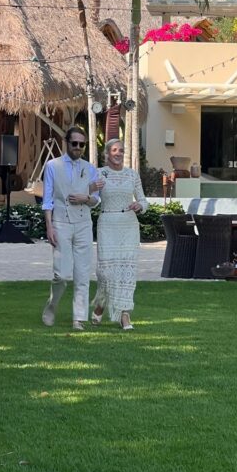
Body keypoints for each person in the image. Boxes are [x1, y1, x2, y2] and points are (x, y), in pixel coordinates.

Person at [41, 127, 102, 332]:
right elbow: (47, 198)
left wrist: (86, 197)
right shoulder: (52, 166)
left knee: (83, 274)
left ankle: (79, 318)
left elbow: (96, 200)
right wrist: (49, 226)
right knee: (62, 274)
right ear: (66, 142)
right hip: (60, 223)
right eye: (74, 143)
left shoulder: (90, 168)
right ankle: (52, 305)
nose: (78, 147)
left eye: (81, 144)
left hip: (84, 223)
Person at [91, 138, 148, 331]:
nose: (118, 153)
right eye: (114, 150)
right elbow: (92, 199)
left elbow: (143, 200)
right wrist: (91, 189)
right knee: (106, 272)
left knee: (126, 273)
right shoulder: (99, 173)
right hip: (107, 224)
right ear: (107, 153)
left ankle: (124, 315)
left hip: (129, 226)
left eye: (121, 150)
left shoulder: (132, 175)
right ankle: (100, 304)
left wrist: (140, 205)